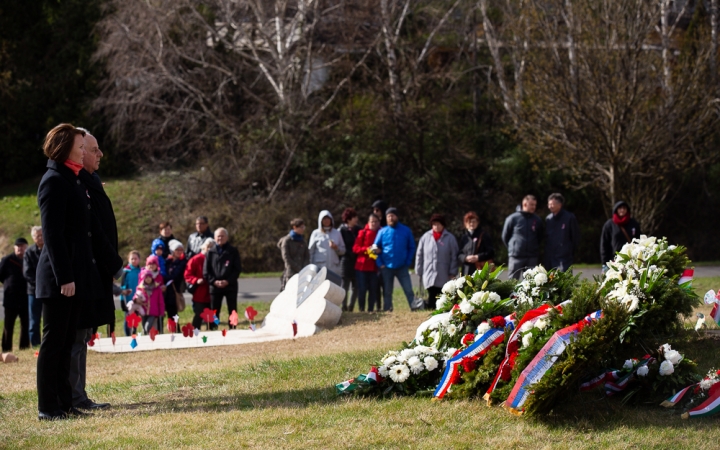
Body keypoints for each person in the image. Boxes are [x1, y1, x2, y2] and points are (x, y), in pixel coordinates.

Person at [35, 124, 99, 420]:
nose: (85, 150)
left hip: (73, 276)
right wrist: (66, 278)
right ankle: (48, 407)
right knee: (53, 344)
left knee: (65, 343)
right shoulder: (53, 181)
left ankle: (65, 403)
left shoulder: (72, 179)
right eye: (80, 146)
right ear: (65, 147)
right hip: (59, 279)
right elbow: (53, 234)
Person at [72, 129, 123, 411]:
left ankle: (79, 395)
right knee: (77, 336)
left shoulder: (90, 181)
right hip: (85, 270)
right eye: (93, 149)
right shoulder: (77, 183)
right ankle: (75, 397)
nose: (99, 154)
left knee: (83, 335)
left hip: (95, 270)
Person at [373, 207, 416, 311]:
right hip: (387, 267)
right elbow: (374, 248)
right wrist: (380, 263)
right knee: (387, 291)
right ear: (386, 218)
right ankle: (388, 309)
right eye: (388, 216)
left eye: (392, 215)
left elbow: (412, 247)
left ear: (397, 216)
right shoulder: (382, 232)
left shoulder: (406, 230)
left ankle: (414, 307)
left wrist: (408, 261)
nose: (391, 218)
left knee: (408, 289)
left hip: (402, 266)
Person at [416, 214, 459, 309]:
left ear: (443, 225)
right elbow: (419, 254)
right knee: (431, 293)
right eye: (434, 224)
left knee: (442, 294)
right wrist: (418, 270)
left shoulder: (450, 238)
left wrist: (453, 272)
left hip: (444, 272)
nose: (436, 226)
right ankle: (430, 308)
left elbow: (454, 256)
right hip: (428, 271)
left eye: (439, 224)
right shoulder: (425, 237)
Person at [204, 228, 242, 329]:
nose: (220, 238)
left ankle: (233, 328)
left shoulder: (233, 251)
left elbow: (237, 269)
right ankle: (213, 328)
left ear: (227, 237)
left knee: (232, 309)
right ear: (214, 238)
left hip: (230, 286)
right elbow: (206, 271)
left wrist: (228, 281)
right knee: (214, 310)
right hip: (215, 287)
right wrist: (214, 281)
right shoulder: (210, 252)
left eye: (222, 236)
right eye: (218, 236)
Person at [1, 238, 30, 362]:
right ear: (14, 247)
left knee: (25, 325)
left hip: (25, 297)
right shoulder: (7, 260)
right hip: (11, 298)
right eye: (18, 246)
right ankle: (6, 348)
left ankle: (24, 347)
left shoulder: (28, 258)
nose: (20, 248)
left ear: (26, 247)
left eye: (22, 246)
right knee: (8, 325)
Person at [502, 195, 544, 279]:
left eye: (535, 205)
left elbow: (540, 236)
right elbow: (505, 236)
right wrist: (513, 247)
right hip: (516, 256)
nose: (534, 207)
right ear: (525, 204)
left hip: (531, 256)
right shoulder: (512, 218)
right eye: (532, 205)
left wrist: (533, 247)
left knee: (530, 282)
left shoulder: (537, 220)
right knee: (512, 282)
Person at [545, 193, 580, 271]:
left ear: (559, 205)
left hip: (564, 257)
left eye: (552, 204)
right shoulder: (548, 219)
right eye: (549, 204)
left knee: (564, 280)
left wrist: (569, 251)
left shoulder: (569, 217)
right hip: (551, 257)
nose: (550, 206)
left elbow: (575, 236)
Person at [353, 214, 381, 312]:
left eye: (375, 221)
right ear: (368, 223)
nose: (373, 223)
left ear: (379, 222)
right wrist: (367, 249)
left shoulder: (381, 232)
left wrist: (379, 250)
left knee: (373, 289)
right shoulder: (362, 232)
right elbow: (355, 248)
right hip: (362, 266)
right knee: (362, 289)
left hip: (374, 266)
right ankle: (361, 309)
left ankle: (370, 309)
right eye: (371, 221)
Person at [600, 200, 642, 266]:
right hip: (614, 260)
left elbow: (639, 239)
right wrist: (605, 262)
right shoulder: (609, 225)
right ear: (616, 210)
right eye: (620, 208)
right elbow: (604, 244)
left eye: (624, 208)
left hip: (631, 259)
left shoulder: (633, 224)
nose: (622, 210)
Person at [185, 238, 215, 329]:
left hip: (212, 292)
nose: (209, 249)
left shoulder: (215, 258)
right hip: (199, 293)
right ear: (203, 247)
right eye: (208, 247)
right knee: (199, 314)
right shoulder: (195, 259)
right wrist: (196, 280)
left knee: (212, 316)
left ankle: (212, 331)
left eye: (212, 247)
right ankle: (194, 332)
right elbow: (187, 274)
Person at [457, 212, 495, 276]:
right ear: (465, 224)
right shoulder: (464, 237)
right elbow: (459, 254)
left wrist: (478, 257)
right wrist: (465, 258)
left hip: (480, 270)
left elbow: (491, 252)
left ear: (477, 222)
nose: (471, 224)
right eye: (469, 222)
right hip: (466, 271)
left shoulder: (484, 235)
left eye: (474, 221)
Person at [23, 226, 44, 347]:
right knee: (34, 321)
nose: (40, 238)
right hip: (33, 291)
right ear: (33, 238)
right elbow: (27, 273)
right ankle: (35, 344)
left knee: (50, 320)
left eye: (42, 235)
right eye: (37, 236)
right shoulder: (29, 252)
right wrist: (40, 284)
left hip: (48, 291)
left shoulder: (49, 249)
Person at [308, 210, 346, 275]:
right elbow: (310, 251)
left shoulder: (337, 233)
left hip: (334, 268)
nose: (326, 221)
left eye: (328, 218)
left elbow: (343, 250)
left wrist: (336, 248)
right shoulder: (315, 233)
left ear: (331, 220)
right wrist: (311, 268)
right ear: (320, 221)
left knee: (333, 285)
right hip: (319, 267)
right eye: (324, 219)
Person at [277, 218, 310, 291]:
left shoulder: (303, 241)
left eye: (303, 227)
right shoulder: (287, 241)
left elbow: (307, 256)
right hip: (291, 272)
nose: (303, 229)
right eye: (301, 227)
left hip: (303, 272)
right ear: (294, 227)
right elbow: (286, 257)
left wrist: (304, 268)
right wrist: (297, 267)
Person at [338, 208, 361, 311]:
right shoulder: (341, 230)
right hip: (345, 261)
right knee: (344, 286)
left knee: (356, 286)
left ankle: (351, 306)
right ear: (348, 219)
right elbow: (340, 245)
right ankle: (343, 306)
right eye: (354, 217)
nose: (356, 219)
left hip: (357, 261)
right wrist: (349, 252)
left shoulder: (359, 229)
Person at [139, 256, 166, 332]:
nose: (151, 265)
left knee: (154, 326)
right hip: (145, 306)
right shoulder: (142, 275)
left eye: (153, 264)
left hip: (155, 306)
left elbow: (160, 293)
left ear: (157, 265)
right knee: (144, 326)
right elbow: (139, 288)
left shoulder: (159, 276)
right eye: (149, 264)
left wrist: (162, 288)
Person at [119, 251, 142, 336]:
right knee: (128, 319)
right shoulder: (125, 272)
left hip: (138, 300)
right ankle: (127, 335)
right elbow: (122, 287)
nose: (134, 260)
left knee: (136, 318)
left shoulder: (142, 271)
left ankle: (134, 333)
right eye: (132, 259)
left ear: (139, 260)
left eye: (136, 258)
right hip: (128, 301)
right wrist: (122, 301)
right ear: (128, 260)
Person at [165, 239, 188, 323]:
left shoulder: (183, 262)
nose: (179, 251)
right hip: (166, 291)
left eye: (181, 249)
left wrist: (166, 277)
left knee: (174, 312)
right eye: (177, 250)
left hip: (175, 290)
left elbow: (175, 275)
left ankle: (176, 329)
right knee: (168, 312)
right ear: (172, 251)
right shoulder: (168, 261)